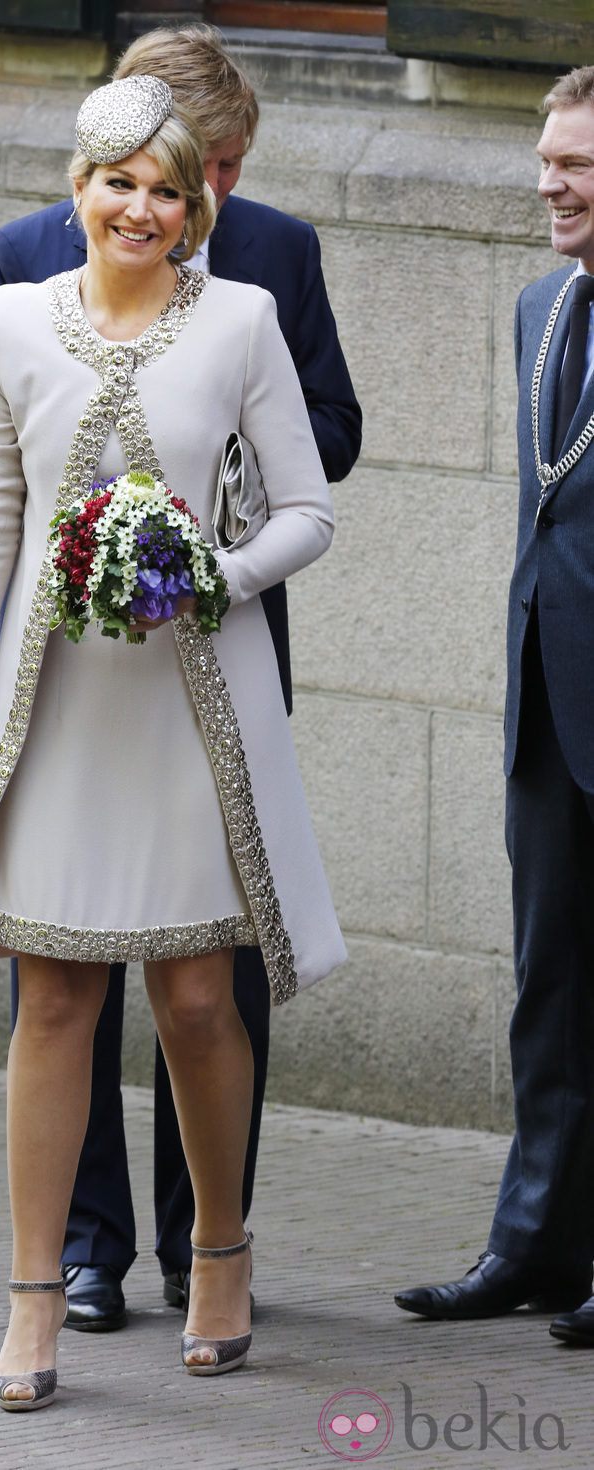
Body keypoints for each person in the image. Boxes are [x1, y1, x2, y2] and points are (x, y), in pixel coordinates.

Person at [0, 75, 344, 1409]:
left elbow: (307, 507)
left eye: (169, 189)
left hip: (195, 707)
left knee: (201, 1000)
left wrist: (213, 572)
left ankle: (220, 1248)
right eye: (118, 182)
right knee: (53, 999)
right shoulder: (9, 319)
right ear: (80, 184)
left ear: (200, 203)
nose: (141, 208)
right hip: (57, 712)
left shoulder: (248, 319)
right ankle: (36, 1292)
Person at [394, 66, 594, 1346]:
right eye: (542, 155)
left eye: (572, 160)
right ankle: (530, 1247)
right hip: (548, 701)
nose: (544, 179)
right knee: (548, 989)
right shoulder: (538, 306)